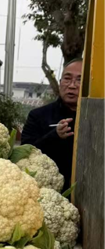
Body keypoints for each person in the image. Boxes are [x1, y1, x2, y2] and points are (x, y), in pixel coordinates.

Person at [21, 58, 82, 191]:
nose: (72, 85)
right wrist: (54, 136)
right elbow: (25, 153)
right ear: (60, 82)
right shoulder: (38, 115)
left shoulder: (96, 120)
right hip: (49, 190)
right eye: (67, 78)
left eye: (79, 80)